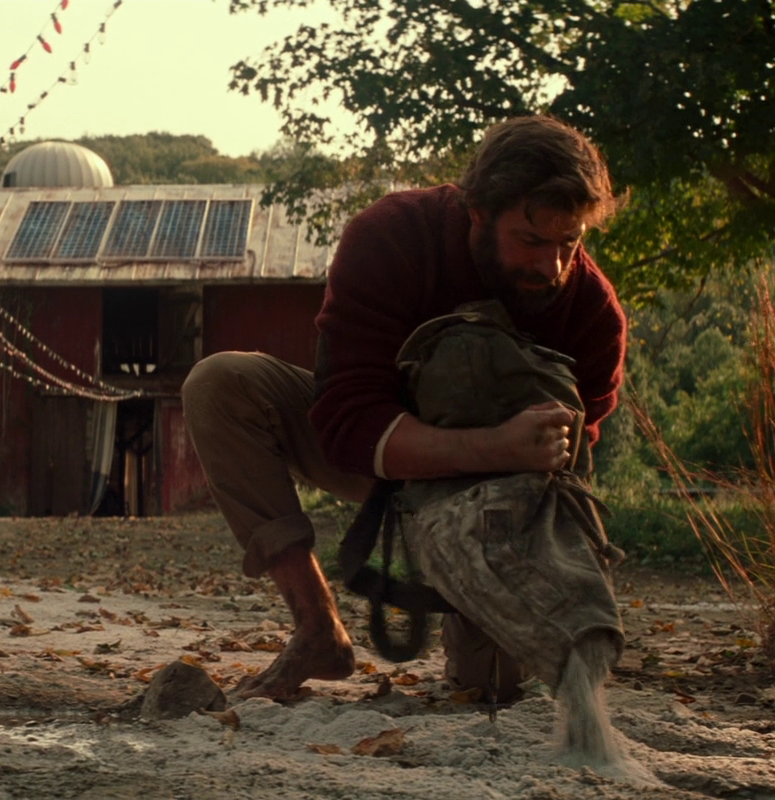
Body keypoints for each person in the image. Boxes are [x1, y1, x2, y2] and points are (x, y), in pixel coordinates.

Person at [180, 115, 627, 699]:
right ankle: (316, 629)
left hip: (497, 502)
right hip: (382, 454)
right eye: (532, 241)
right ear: (477, 213)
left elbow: (568, 481)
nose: (554, 267)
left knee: (488, 689)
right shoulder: (392, 236)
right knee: (220, 383)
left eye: (571, 242)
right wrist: (497, 446)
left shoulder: (594, 314)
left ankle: (479, 615)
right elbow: (347, 423)